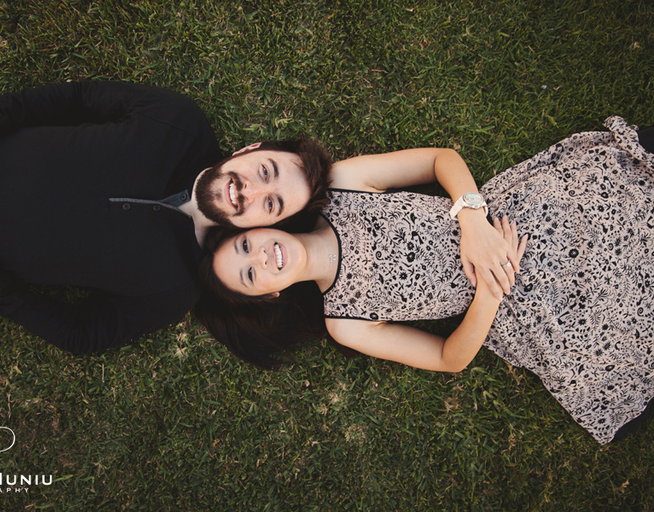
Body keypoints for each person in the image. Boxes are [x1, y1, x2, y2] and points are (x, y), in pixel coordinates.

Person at [197, 117, 654, 444]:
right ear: (270, 294)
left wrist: (474, 224)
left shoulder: (342, 185)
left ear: (258, 227)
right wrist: (492, 288)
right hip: (521, 300)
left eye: (244, 245)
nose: (260, 257)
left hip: (512, 221)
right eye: (250, 275)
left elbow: (440, 160)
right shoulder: (345, 323)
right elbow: (447, 358)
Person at [0, 82, 331, 353]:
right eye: (265, 172)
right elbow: (72, 98)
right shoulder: (179, 121)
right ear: (251, 149)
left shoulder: (175, 289)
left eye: (271, 204)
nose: (250, 191)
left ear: (266, 224)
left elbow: (84, 336)